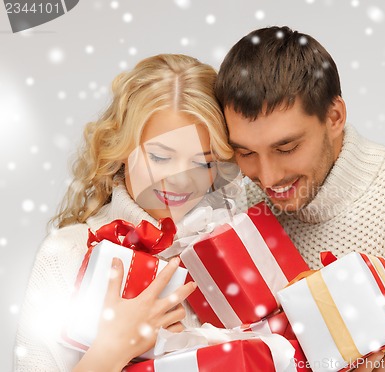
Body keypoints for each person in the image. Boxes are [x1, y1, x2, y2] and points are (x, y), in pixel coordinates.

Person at [215, 26, 385, 372]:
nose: (268, 178)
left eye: (286, 148)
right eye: (246, 153)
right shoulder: (240, 206)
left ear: (335, 117)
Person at [14, 54, 237, 371]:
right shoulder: (66, 253)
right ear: (121, 149)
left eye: (203, 162)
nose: (181, 179)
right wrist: (113, 349)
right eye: (160, 157)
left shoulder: (230, 251)